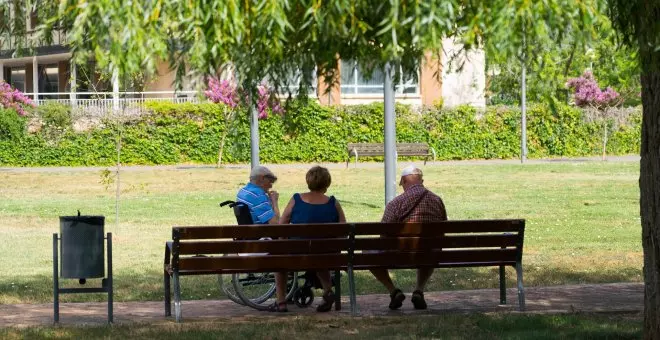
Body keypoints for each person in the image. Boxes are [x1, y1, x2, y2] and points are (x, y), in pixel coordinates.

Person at [370, 165, 448, 310]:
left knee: (367, 254)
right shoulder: (437, 201)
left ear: (405, 181)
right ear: (421, 181)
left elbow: (383, 233)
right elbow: (443, 229)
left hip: (398, 254)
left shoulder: (396, 203)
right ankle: (419, 290)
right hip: (430, 253)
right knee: (431, 247)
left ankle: (393, 291)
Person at [273, 166, 346, 312]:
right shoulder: (333, 203)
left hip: (296, 255)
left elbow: (281, 225)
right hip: (327, 255)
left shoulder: (296, 199)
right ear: (327, 183)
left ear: (308, 181)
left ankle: (281, 301)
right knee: (319, 257)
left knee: (279, 262)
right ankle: (327, 291)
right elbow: (343, 230)